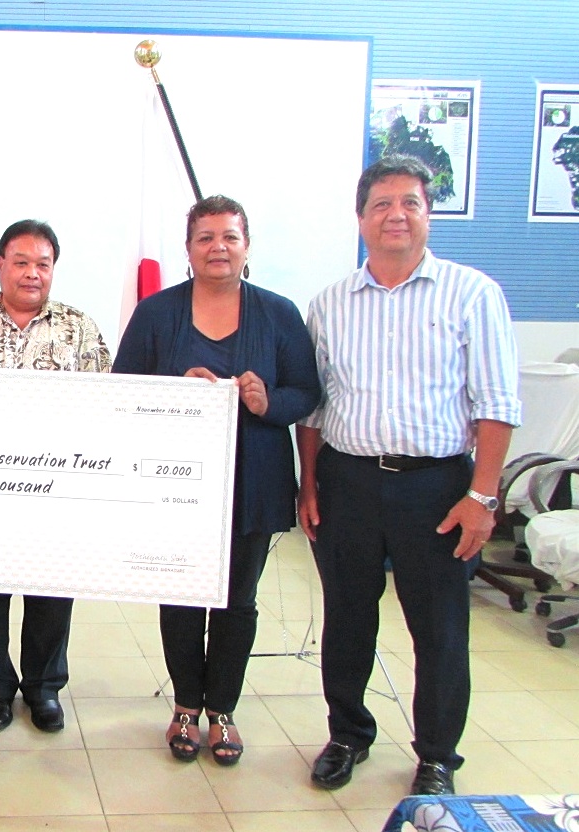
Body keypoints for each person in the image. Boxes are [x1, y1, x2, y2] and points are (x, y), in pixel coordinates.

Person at [298, 155, 521, 796]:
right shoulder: (330, 303)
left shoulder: (472, 294)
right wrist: (309, 485)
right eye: (382, 203)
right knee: (347, 618)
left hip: (439, 489)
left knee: (440, 627)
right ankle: (347, 735)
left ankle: (438, 756)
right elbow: (315, 408)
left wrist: (482, 496)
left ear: (428, 213)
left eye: (411, 202)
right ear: (361, 218)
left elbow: (497, 405)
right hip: (349, 483)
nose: (396, 214)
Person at [113, 195, 320, 765]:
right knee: (179, 594)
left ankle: (223, 709)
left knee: (237, 600)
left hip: (253, 482)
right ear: (188, 250)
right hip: (173, 485)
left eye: (229, 236)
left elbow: (308, 393)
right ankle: (185, 706)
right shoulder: (158, 313)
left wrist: (266, 399)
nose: (217, 248)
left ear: (246, 245)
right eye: (205, 237)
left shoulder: (278, 313)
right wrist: (177, 392)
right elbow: (122, 391)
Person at [0, 219, 111, 732]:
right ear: (1, 265)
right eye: (21, 262)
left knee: (52, 590)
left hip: (58, 489)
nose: (32, 274)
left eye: (43, 264)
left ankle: (43, 688)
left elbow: (106, 404)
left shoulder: (80, 327)